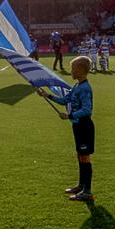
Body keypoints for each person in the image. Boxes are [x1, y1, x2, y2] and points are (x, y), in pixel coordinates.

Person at [38, 56, 96, 202]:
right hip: (77, 126)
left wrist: (70, 115)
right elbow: (65, 100)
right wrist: (47, 95)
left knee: (85, 157)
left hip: (84, 126)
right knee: (80, 156)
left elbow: (87, 110)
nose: (71, 72)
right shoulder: (77, 86)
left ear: (81, 70)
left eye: (73, 69)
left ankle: (87, 191)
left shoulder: (85, 88)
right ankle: (81, 186)